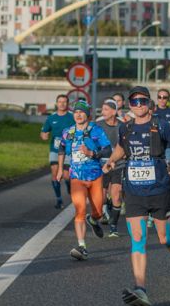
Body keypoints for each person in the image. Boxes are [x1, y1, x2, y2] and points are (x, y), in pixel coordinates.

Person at [103, 86, 170, 306]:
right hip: (133, 191)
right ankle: (140, 289)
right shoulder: (126, 127)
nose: (138, 105)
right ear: (129, 105)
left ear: (149, 103)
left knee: (164, 239)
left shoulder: (161, 125)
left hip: (159, 190)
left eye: (142, 101)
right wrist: (112, 160)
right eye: (134, 102)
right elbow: (121, 148)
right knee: (138, 238)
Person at [57, 100, 111, 260]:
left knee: (98, 212)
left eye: (81, 112)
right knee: (79, 210)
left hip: (95, 176)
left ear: (88, 114)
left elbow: (107, 148)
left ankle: (93, 220)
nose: (78, 115)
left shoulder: (96, 130)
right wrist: (60, 169)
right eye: (76, 112)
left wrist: (92, 154)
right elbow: (61, 148)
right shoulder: (68, 132)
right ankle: (82, 246)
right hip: (77, 177)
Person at [97, 99, 126, 237]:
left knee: (116, 194)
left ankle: (113, 227)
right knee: (101, 198)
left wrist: (120, 157)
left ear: (114, 112)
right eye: (102, 109)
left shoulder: (123, 126)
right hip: (101, 166)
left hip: (119, 165)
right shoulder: (97, 125)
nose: (103, 112)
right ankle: (104, 207)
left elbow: (128, 145)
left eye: (106, 109)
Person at [40, 94, 74, 209]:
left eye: (64, 102)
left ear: (67, 104)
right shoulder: (51, 118)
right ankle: (59, 199)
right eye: (60, 102)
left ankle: (69, 186)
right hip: (55, 149)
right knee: (54, 173)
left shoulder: (72, 117)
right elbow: (44, 132)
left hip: (68, 150)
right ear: (56, 103)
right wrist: (44, 135)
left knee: (66, 176)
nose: (62, 104)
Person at [153, 89, 170, 167]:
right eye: (159, 97)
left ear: (168, 99)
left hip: (169, 144)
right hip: (155, 144)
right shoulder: (152, 111)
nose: (161, 99)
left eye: (164, 97)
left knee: (168, 165)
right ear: (157, 98)